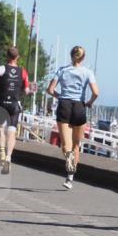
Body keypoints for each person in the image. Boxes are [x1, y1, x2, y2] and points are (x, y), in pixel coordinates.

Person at [46, 46, 99, 189]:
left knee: (66, 145)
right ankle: (70, 177)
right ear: (83, 58)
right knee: (76, 145)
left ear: (71, 56)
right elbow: (96, 92)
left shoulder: (62, 70)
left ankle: (70, 172)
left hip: (64, 105)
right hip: (79, 107)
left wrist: (59, 96)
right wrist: (89, 103)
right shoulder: (88, 72)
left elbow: (50, 90)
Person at [0, 46, 29, 175]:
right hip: (14, 104)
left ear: (7, 56)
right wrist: (23, 92)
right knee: (11, 131)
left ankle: (1, 152)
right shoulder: (23, 71)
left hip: (1, 102)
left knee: (0, 128)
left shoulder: (1, 68)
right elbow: (27, 90)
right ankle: (8, 157)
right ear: (17, 57)